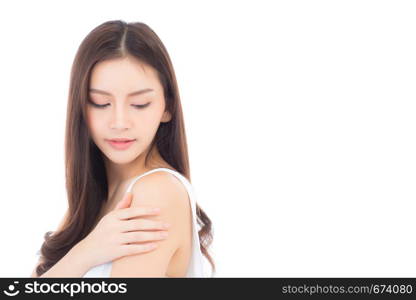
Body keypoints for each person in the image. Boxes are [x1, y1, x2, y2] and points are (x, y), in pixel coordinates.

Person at [31, 20, 215, 277]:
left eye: (139, 104)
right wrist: (85, 251)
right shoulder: (93, 199)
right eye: (100, 103)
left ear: (167, 107)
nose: (119, 123)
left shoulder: (157, 193)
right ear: (80, 108)